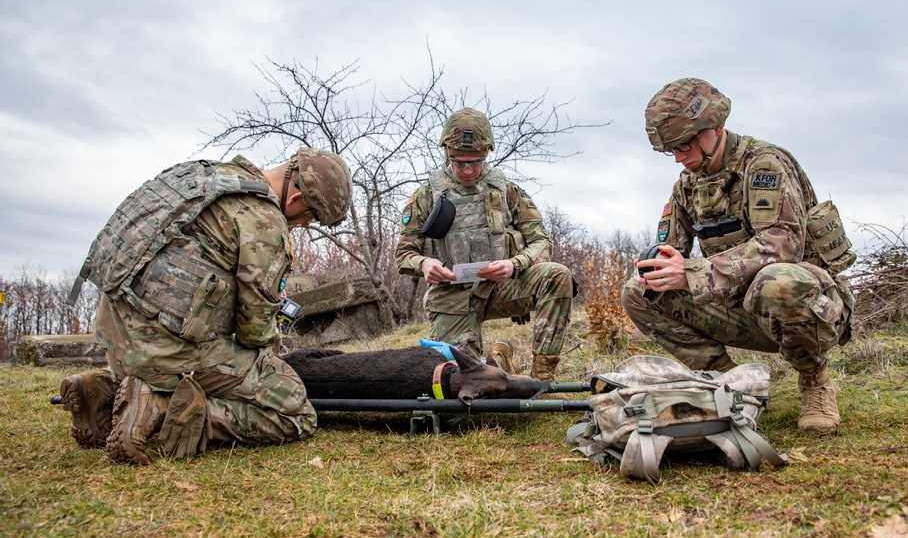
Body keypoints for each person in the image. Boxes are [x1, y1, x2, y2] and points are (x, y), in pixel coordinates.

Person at [60, 147, 352, 464]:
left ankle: (104, 389)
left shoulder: (203, 175)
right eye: (311, 217)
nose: (306, 225)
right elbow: (253, 333)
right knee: (294, 409)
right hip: (164, 352)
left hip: (113, 333)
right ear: (297, 200)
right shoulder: (265, 221)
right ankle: (158, 408)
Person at [621, 78, 856, 434]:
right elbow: (672, 252)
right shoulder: (687, 185)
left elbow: (782, 244)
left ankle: (814, 380)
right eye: (671, 150)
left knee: (776, 282)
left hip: (810, 306)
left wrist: (693, 273)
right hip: (740, 307)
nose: (679, 157)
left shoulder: (764, 165)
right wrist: (658, 268)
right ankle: (731, 381)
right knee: (639, 292)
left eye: (684, 145)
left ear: (714, 129)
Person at [394, 108, 574, 383]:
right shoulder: (426, 195)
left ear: (487, 154)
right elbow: (404, 253)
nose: (468, 170)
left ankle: (543, 381)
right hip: (452, 297)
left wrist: (514, 264)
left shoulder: (506, 190)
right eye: (459, 163)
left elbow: (540, 240)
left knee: (558, 275)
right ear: (447, 154)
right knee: (462, 380)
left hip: (501, 288)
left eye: (475, 162)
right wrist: (424, 264)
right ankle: (499, 361)